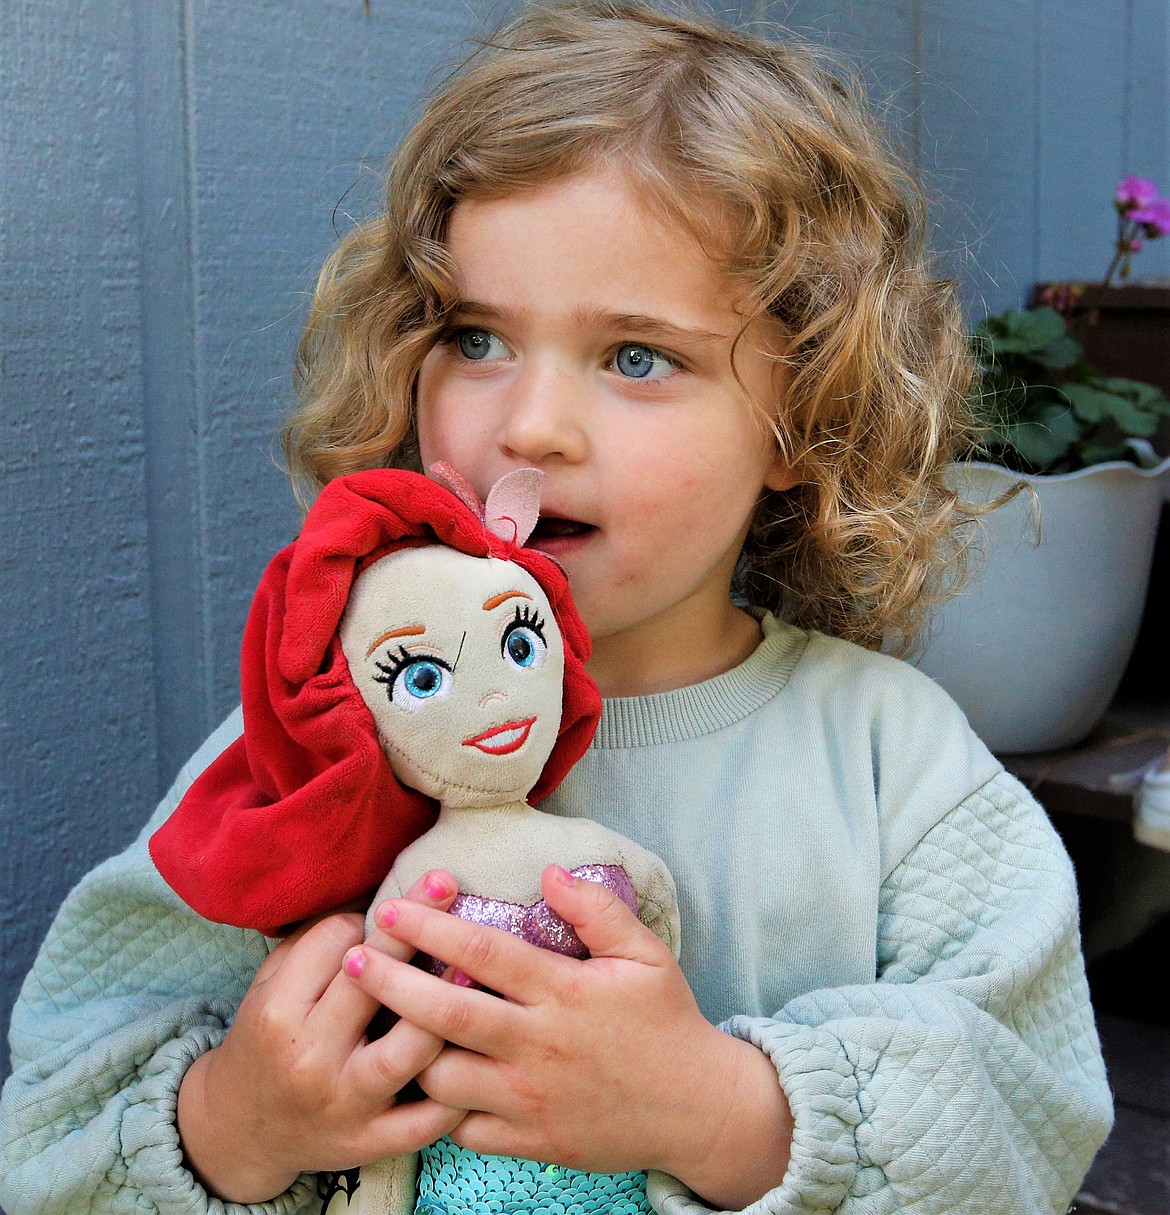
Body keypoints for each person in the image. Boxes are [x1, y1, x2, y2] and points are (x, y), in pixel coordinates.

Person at [0, 3, 1112, 1213]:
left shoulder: (896, 765)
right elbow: (59, 1100)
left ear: (810, 417)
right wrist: (234, 1123)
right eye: (475, 337)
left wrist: (722, 1114)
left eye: (637, 356)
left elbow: (1025, 1117)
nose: (527, 426)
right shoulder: (322, 734)